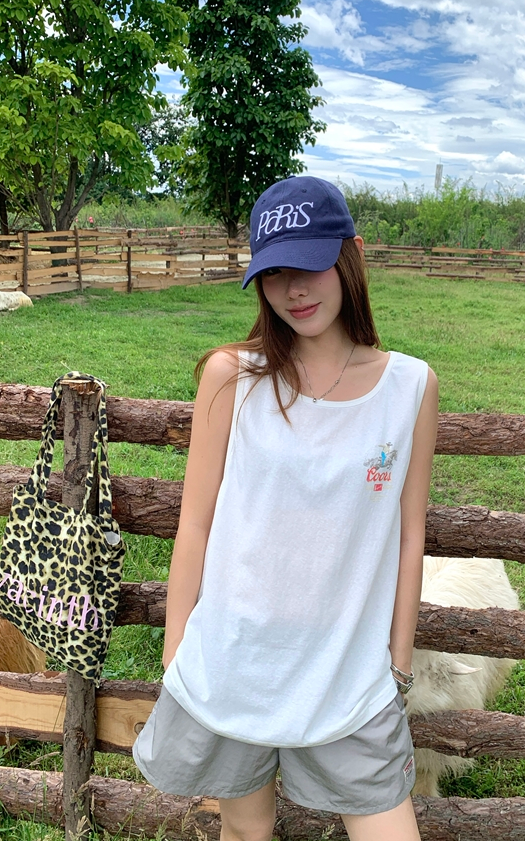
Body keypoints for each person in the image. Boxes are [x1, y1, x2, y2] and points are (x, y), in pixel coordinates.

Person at [134, 176, 438, 841]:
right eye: (273, 272)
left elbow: (409, 533)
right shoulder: (233, 376)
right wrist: (175, 651)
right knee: (247, 831)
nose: (293, 289)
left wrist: (397, 664)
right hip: (233, 661)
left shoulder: (410, 386)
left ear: (353, 253)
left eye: (310, 264)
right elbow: (196, 522)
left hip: (350, 675)